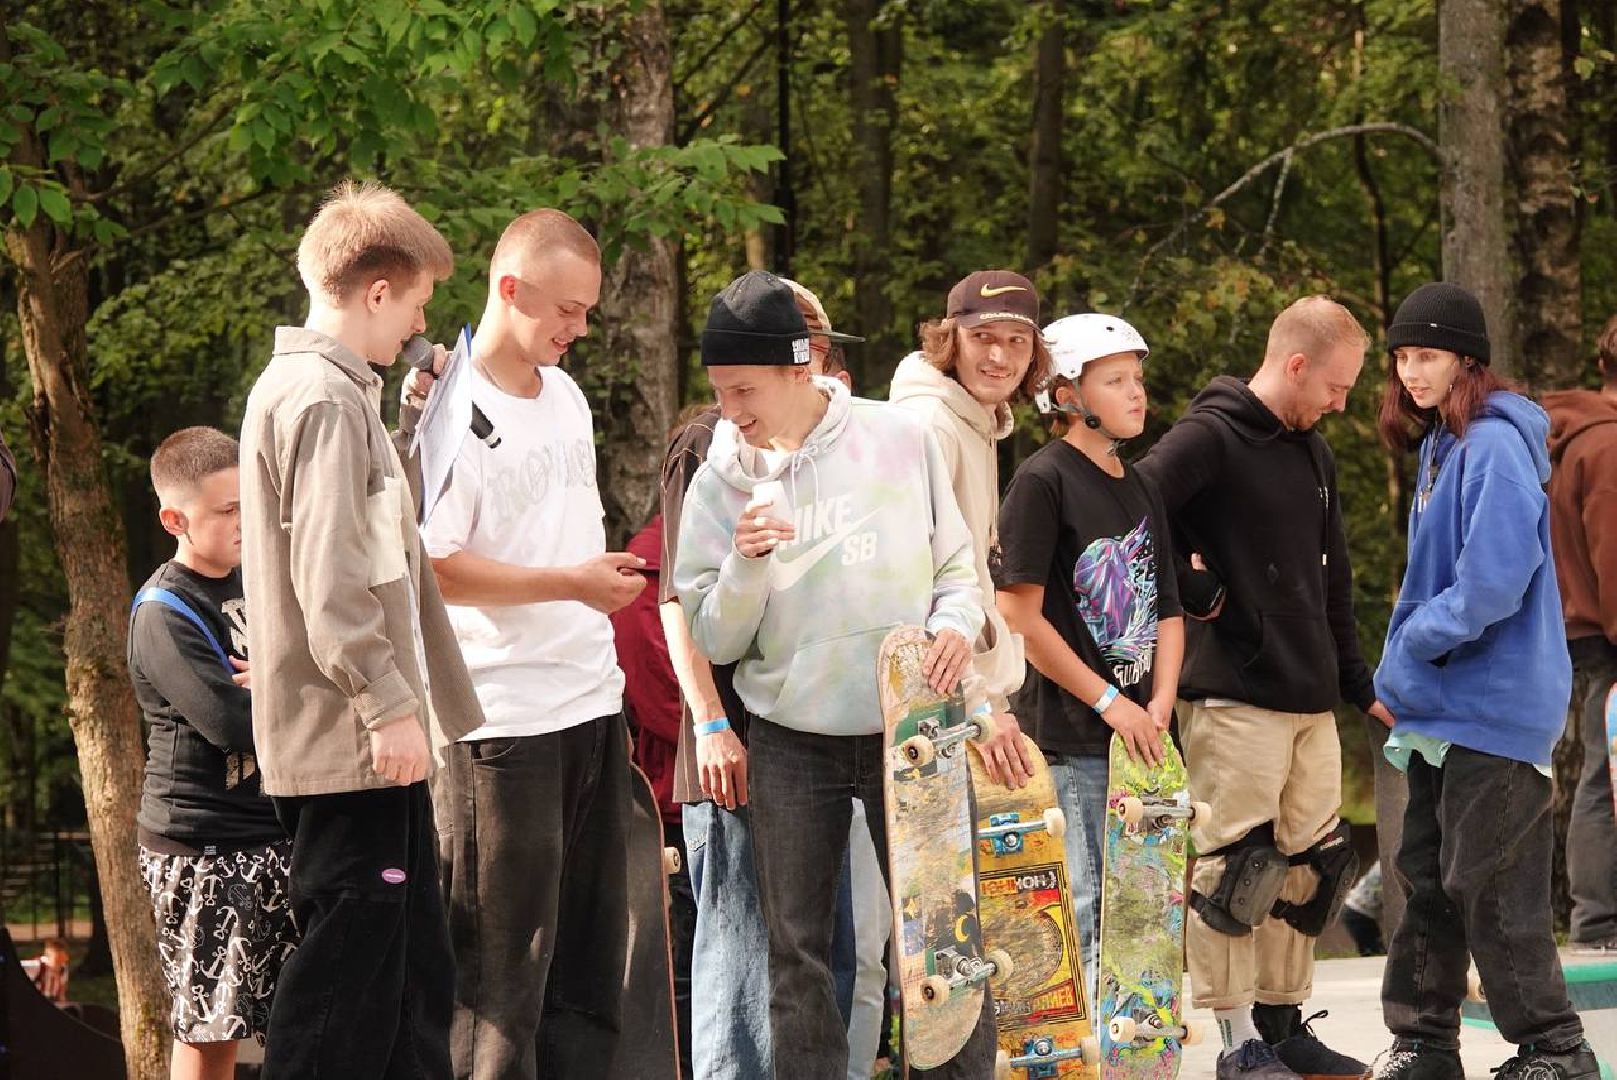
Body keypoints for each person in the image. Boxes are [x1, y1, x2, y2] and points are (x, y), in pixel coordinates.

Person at [673, 269, 995, 1078]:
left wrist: (952, 625)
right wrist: (747, 564)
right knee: (798, 956)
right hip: (791, 741)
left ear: (799, 368)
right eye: (718, 391)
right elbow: (710, 631)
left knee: (945, 942)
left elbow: (958, 568)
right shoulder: (720, 478)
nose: (732, 409)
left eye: (744, 389)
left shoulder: (900, 439)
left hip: (913, 730)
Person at [239, 180, 482, 1079]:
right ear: (376, 291)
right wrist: (386, 707)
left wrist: (414, 420)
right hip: (351, 740)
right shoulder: (323, 400)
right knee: (344, 983)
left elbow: (370, 539)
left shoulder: (340, 394)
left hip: (366, 735)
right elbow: (332, 581)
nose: (417, 326)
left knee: (414, 971)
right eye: (415, 304)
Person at [415, 208, 659, 1080]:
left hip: (592, 704)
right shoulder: (450, 408)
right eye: (566, 309)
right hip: (500, 723)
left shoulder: (565, 395)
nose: (579, 329)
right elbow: (434, 566)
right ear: (509, 289)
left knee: (591, 977)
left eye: (588, 311)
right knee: (498, 982)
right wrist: (570, 585)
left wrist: (596, 583)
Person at [1137, 296, 1384, 1080]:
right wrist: (1190, 590)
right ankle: (1234, 1040)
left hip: (1307, 694)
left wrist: (1354, 680)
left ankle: (1281, 1023)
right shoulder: (1207, 436)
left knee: (1312, 866)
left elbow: (1334, 576)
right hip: (1231, 692)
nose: (1341, 403)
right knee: (1233, 868)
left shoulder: (1312, 451)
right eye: (1336, 387)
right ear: (1296, 364)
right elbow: (1127, 516)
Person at [658, 280, 887, 1080]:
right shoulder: (708, 444)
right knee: (741, 962)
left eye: (826, 350)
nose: (824, 367)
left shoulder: (846, 450)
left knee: (828, 954)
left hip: (825, 741)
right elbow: (676, 602)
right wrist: (713, 723)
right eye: (813, 348)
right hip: (733, 744)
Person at [1370, 282, 1594, 1080]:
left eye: (1424, 356)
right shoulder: (1444, 444)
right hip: (1439, 706)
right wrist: (1408, 663)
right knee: (1425, 879)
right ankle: (1424, 1043)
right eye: (1400, 358)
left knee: (1491, 886)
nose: (1410, 373)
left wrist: (1409, 646)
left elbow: (1492, 584)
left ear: (1467, 359)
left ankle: (1553, 1048)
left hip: (1494, 704)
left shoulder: (1495, 446)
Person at [994, 313, 1184, 1010]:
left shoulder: (1139, 486)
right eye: (1115, 381)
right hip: (1076, 740)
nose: (1136, 394)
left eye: (1136, 379)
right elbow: (1017, 614)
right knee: (1092, 909)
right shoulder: (1041, 482)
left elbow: (1167, 608)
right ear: (1066, 394)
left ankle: (1134, 1051)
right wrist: (1109, 702)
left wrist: (1160, 700)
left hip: (1146, 738)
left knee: (1148, 920)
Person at [130, 426, 296, 1080]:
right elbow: (235, 723)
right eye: (227, 510)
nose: (243, 521)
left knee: (298, 1013)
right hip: (205, 848)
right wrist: (289, 686)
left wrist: (281, 680)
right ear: (176, 518)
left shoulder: (259, 580)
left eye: (248, 504)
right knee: (210, 1028)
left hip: (279, 833)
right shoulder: (164, 611)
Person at [889, 270, 1047, 791]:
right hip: (938, 705)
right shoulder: (931, 425)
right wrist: (977, 709)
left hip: (968, 701)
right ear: (948, 338)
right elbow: (916, 588)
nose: (999, 357)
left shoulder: (975, 420)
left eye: (1015, 342)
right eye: (982, 338)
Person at [608, 510, 696, 1078]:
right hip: (674, 801)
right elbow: (662, 699)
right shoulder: (646, 572)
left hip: (717, 789)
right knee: (682, 970)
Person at [1546, 314, 1617, 954]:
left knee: (1601, 767)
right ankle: (1599, 921)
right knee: (1604, 772)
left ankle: (1597, 917)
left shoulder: (1579, 438)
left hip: (1586, 629)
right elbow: (1614, 554)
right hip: (1609, 632)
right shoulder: (1609, 446)